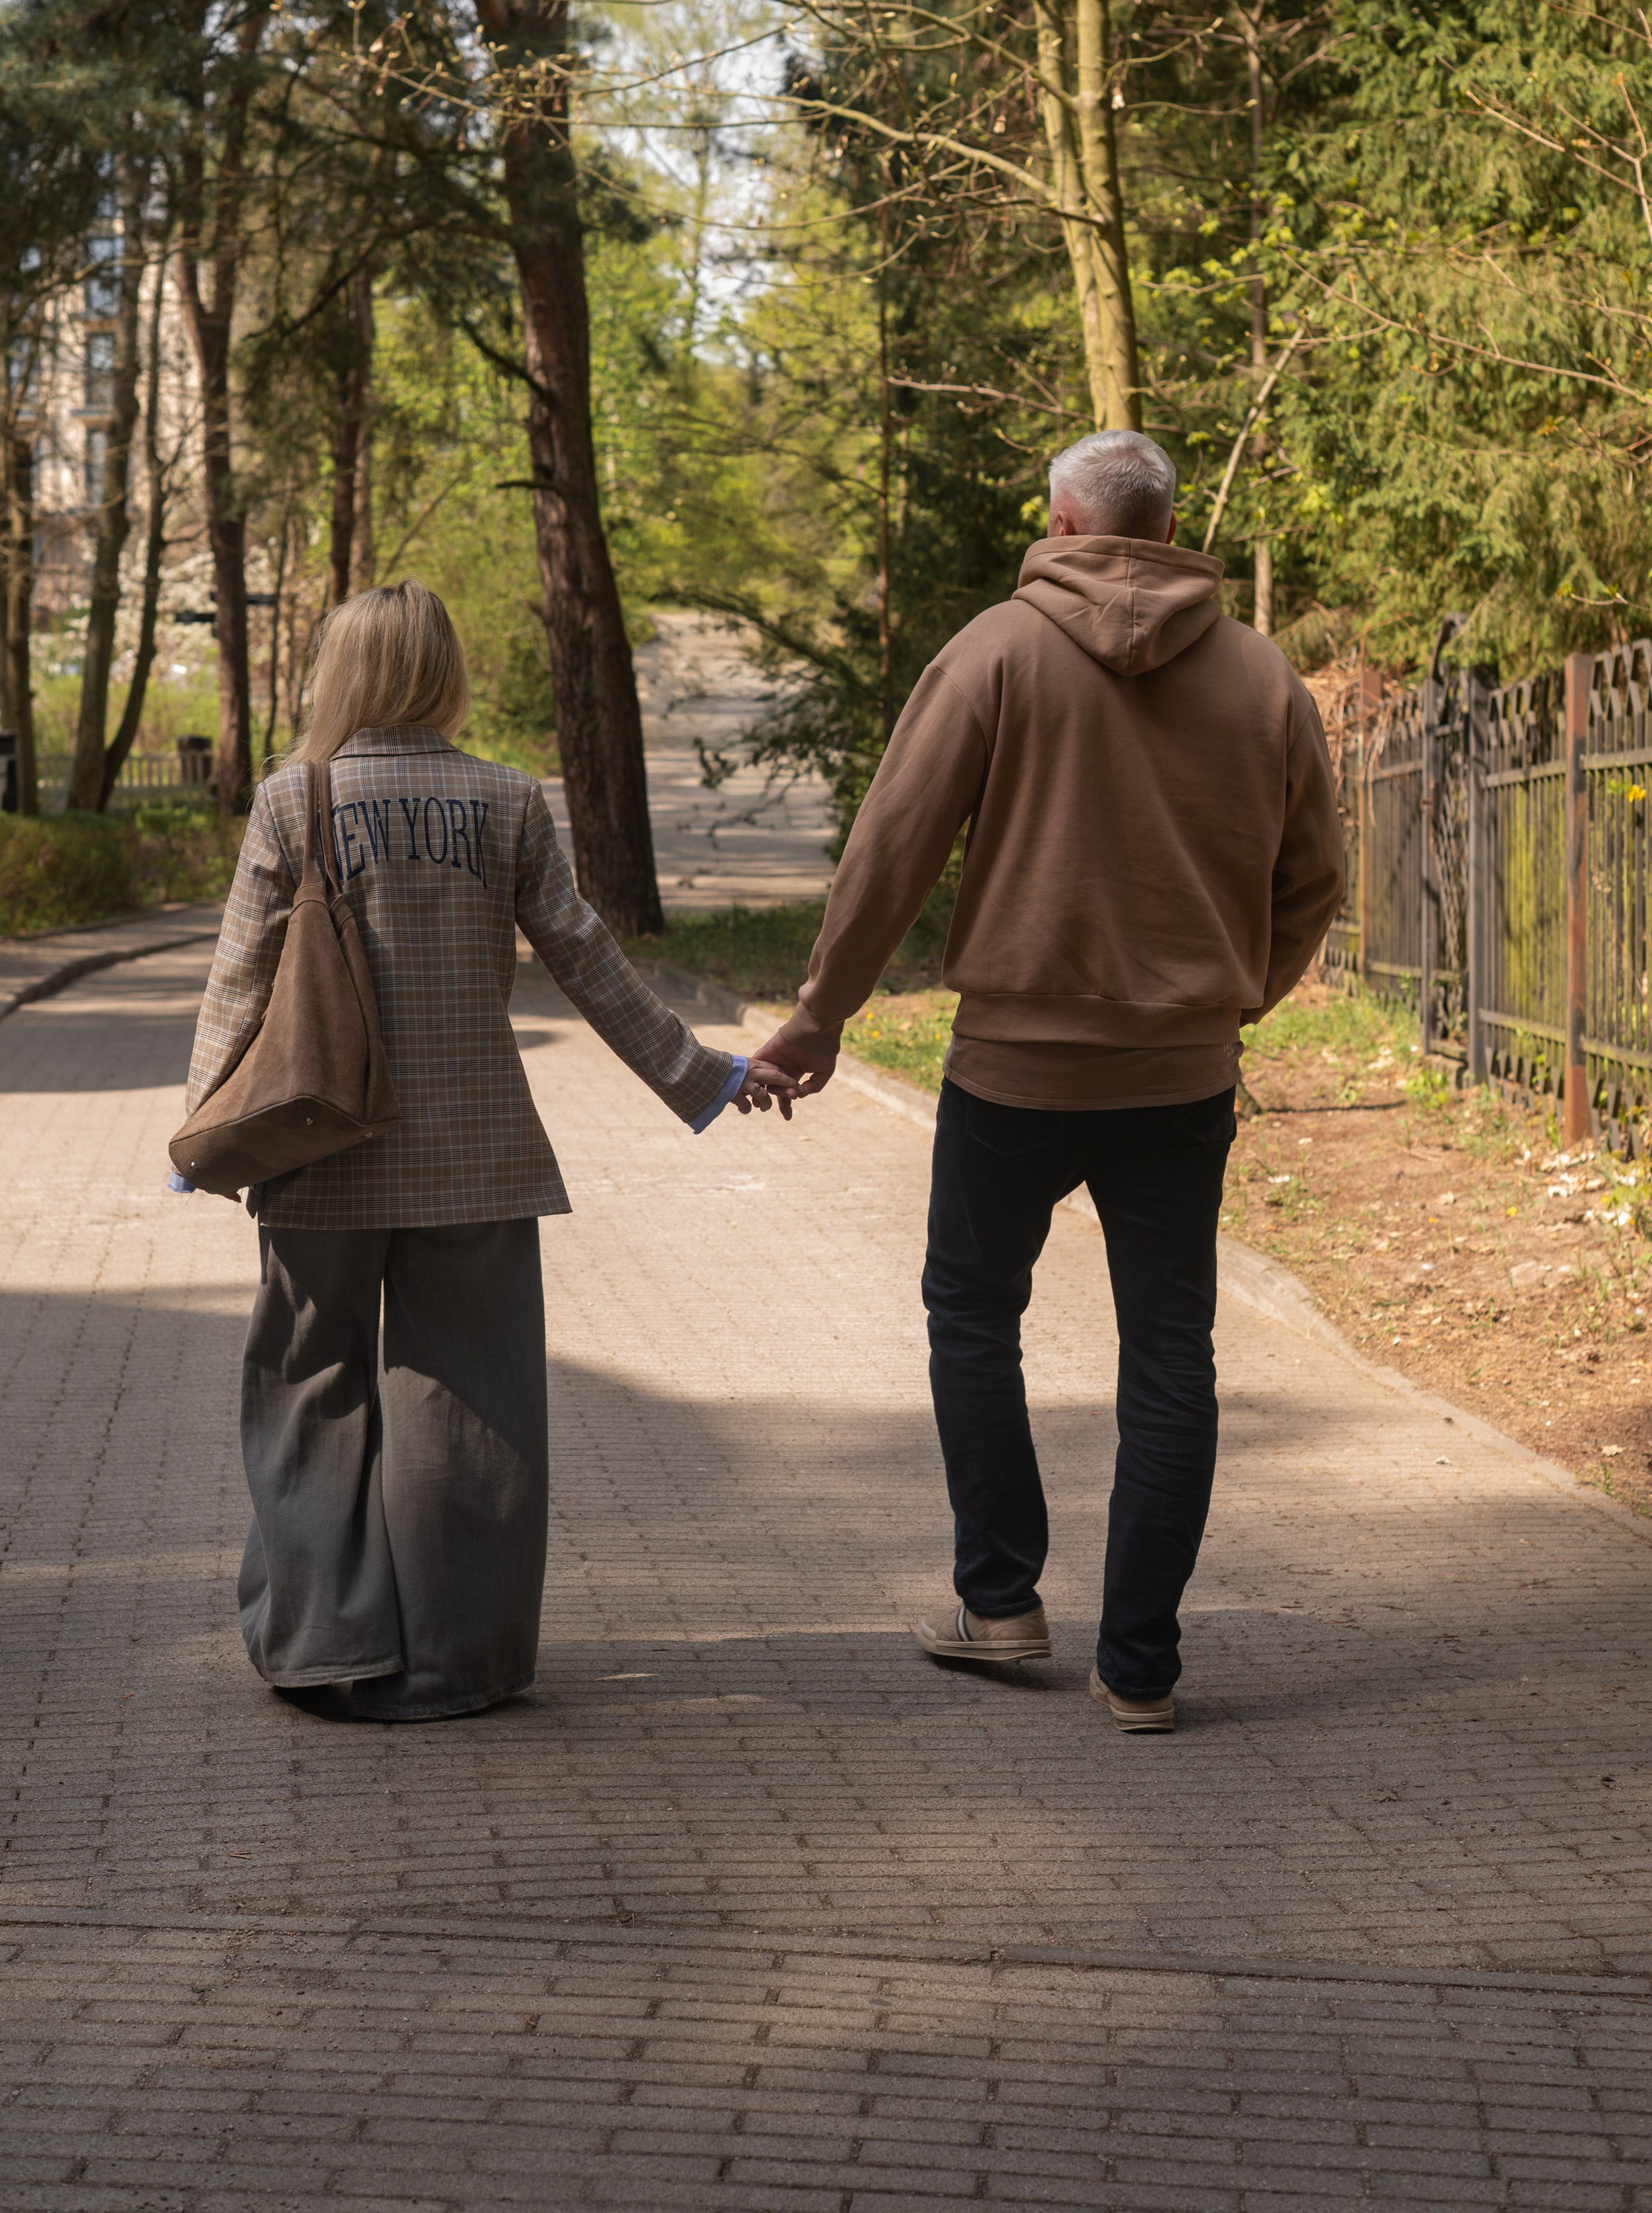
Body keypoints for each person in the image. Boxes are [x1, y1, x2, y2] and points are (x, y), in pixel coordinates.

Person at [751, 431, 1345, 1732]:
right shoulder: (1258, 675)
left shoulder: (995, 650)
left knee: (972, 1313)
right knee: (1169, 1358)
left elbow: (891, 845)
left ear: (1063, 523)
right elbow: (1311, 880)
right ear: (1165, 525)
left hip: (1012, 1071)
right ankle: (1137, 1666)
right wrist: (1237, 994)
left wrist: (819, 1015)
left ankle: (999, 1599)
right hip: (1179, 1074)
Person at [179, 580, 791, 1722]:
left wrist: (203, 1126)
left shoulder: (291, 801)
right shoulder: (505, 801)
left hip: (318, 1150)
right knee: (469, 1400)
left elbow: (240, 979)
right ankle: (461, 1660)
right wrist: (706, 1078)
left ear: (343, 673)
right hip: (477, 1158)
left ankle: (327, 1646)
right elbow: (590, 960)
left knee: (310, 1387)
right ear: (441, 673)